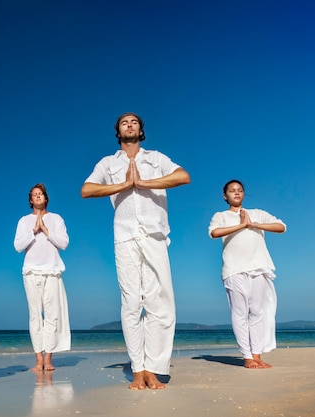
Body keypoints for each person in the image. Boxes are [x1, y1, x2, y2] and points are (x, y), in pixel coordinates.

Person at [81, 112, 190, 390]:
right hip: (125, 236)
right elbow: (86, 189)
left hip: (155, 234)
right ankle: (137, 368)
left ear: (141, 130)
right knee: (131, 303)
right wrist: (124, 185)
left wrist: (144, 183)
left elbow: (183, 176)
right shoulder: (108, 162)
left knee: (160, 303)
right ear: (118, 131)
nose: (129, 125)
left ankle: (154, 368)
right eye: (124, 123)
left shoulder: (156, 158)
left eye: (134, 122)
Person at [208, 179, 286, 369]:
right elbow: (214, 233)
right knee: (240, 313)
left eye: (240, 190)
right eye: (232, 191)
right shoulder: (220, 215)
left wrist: (254, 224)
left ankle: (257, 356)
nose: (236, 193)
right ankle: (247, 356)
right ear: (225, 196)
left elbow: (281, 227)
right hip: (234, 269)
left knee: (258, 312)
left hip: (259, 267)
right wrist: (241, 226)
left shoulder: (257, 214)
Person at [14, 183, 70, 372]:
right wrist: (33, 231)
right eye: (34, 195)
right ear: (30, 200)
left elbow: (64, 243)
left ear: (46, 198)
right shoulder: (23, 221)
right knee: (35, 316)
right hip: (31, 271)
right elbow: (18, 246)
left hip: (52, 271)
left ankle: (49, 358)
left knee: (52, 315)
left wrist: (46, 230)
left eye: (41, 194)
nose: (38, 197)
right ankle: (38, 359)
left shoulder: (56, 219)